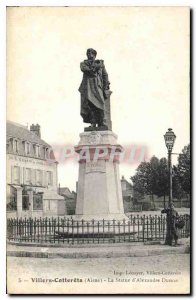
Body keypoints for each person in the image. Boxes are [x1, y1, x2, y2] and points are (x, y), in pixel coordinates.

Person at [79, 48, 110, 128]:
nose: (89, 55)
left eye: (91, 53)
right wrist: (97, 66)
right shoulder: (83, 63)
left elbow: (105, 75)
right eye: (88, 54)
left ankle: (102, 122)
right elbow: (87, 70)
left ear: (95, 55)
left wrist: (106, 86)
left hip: (97, 86)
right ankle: (93, 123)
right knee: (90, 105)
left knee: (100, 103)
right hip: (88, 86)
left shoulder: (100, 64)